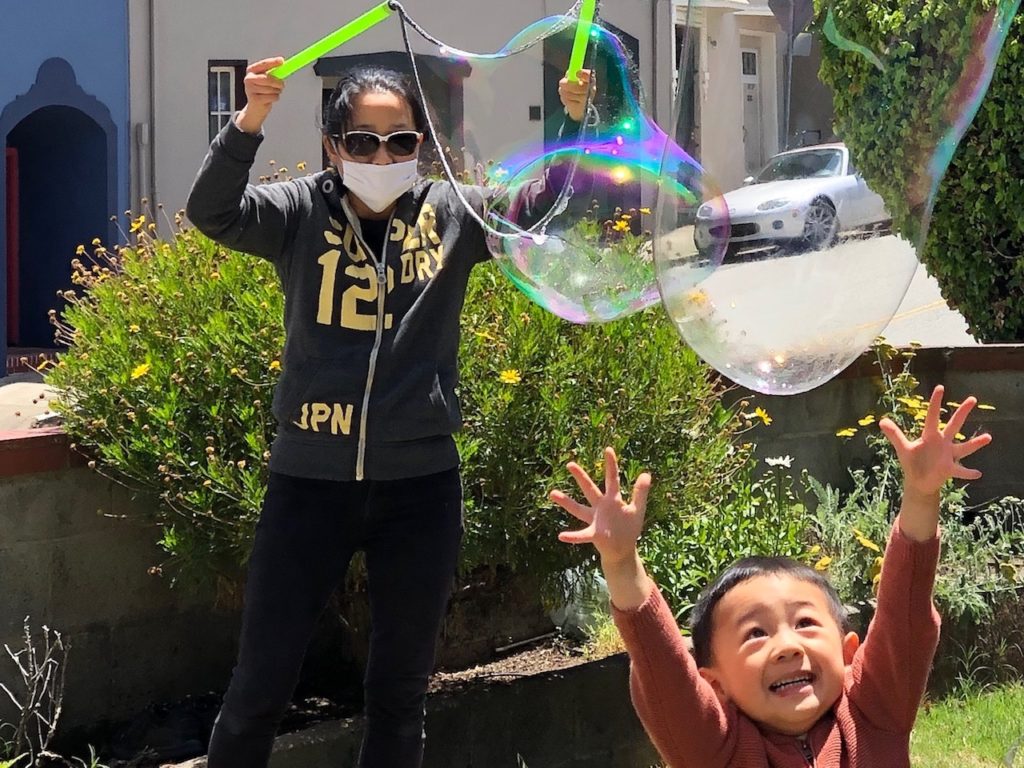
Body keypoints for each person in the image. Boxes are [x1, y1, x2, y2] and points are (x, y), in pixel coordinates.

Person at [185, 56, 594, 768]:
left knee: (400, 695)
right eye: (364, 140)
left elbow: (539, 207)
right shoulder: (299, 211)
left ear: (420, 146)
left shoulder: (451, 215)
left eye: (400, 140)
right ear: (333, 146)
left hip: (420, 489)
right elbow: (212, 212)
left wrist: (569, 120)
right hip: (308, 484)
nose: (383, 155)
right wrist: (249, 119)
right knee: (260, 687)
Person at [550, 385, 991, 767]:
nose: (787, 646)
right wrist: (623, 564)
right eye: (755, 634)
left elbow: (903, 619)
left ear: (848, 653)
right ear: (714, 683)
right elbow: (664, 675)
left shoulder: (875, 714)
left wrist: (920, 496)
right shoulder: (713, 752)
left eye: (805, 623)